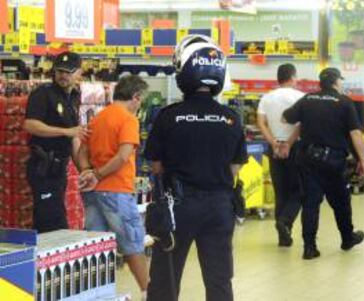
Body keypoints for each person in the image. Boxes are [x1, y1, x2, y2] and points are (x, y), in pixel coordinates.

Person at [144, 35, 248, 301]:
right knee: (219, 279)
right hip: (220, 206)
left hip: (177, 207)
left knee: (166, 277)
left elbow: (156, 165)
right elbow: (235, 168)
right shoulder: (231, 118)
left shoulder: (169, 116)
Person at [283, 67, 364, 260]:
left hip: (308, 159)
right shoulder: (344, 102)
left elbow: (285, 118)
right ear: (336, 82)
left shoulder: (308, 99)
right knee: (341, 201)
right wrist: (362, 160)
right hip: (333, 161)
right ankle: (347, 238)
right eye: (341, 80)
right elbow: (355, 133)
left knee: (310, 203)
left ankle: (309, 247)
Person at [77, 75, 149, 300]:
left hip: (93, 193)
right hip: (117, 190)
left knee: (96, 245)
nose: (140, 105)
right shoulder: (128, 120)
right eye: (141, 100)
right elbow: (123, 156)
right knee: (132, 244)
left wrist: (88, 171)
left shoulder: (98, 118)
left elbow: (81, 152)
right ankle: (150, 292)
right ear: (135, 97)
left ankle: (97, 293)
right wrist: (97, 174)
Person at [24, 51, 88, 233]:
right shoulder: (43, 94)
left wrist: (85, 170)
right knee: (52, 222)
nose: (63, 75)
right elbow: (30, 125)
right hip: (43, 166)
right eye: (59, 71)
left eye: (68, 72)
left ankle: (44, 260)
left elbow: (74, 137)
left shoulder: (74, 96)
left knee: (51, 217)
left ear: (78, 73)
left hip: (59, 168)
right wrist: (65, 131)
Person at [257, 63, 304, 247]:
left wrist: (274, 143)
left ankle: (283, 236)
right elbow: (301, 125)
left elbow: (261, 123)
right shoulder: (301, 97)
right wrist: (288, 144)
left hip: (274, 149)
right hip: (295, 148)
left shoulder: (267, 98)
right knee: (299, 191)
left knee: (281, 191)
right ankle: (285, 222)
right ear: (292, 77)